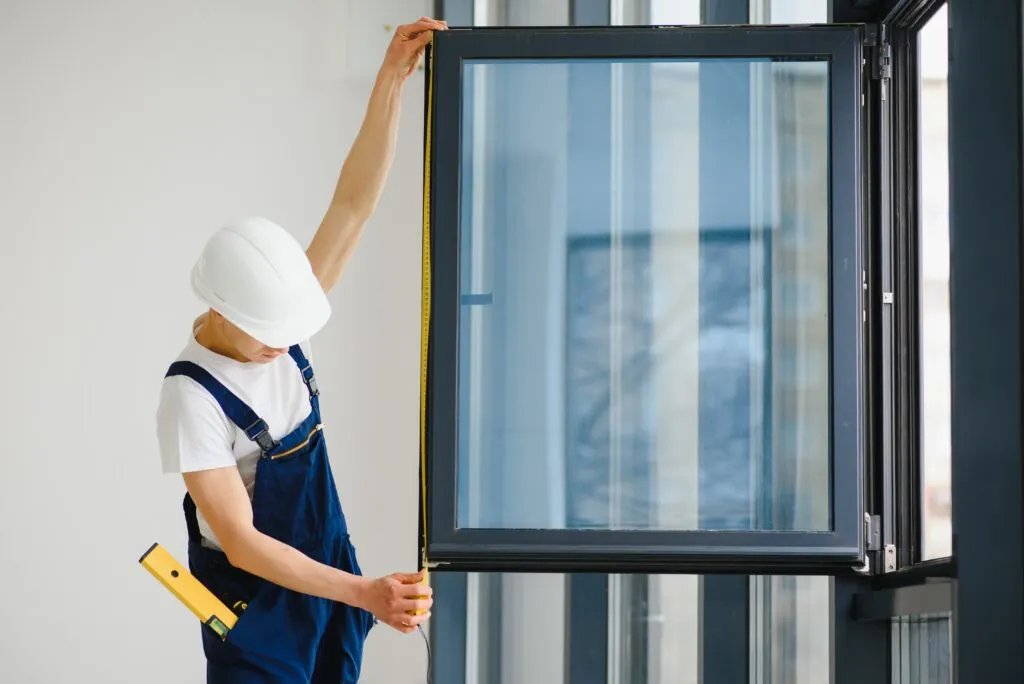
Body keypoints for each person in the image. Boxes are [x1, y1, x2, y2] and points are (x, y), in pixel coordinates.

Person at [154, 17, 445, 683]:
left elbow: (352, 204)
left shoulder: (281, 315)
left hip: (327, 570)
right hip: (256, 605)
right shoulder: (190, 397)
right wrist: (365, 592)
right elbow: (242, 541)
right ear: (225, 310)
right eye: (268, 336)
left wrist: (391, 80)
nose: (282, 347)